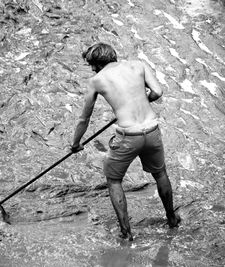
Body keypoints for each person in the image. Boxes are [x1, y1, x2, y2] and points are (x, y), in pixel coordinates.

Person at [71, 43, 180, 241]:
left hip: (128, 136)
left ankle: (126, 233)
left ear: (96, 64)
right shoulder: (138, 65)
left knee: (114, 181)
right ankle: (172, 218)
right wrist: (143, 100)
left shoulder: (96, 80)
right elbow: (157, 92)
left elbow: (83, 118)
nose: (92, 69)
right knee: (160, 173)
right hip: (152, 130)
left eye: (91, 65)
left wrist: (75, 144)